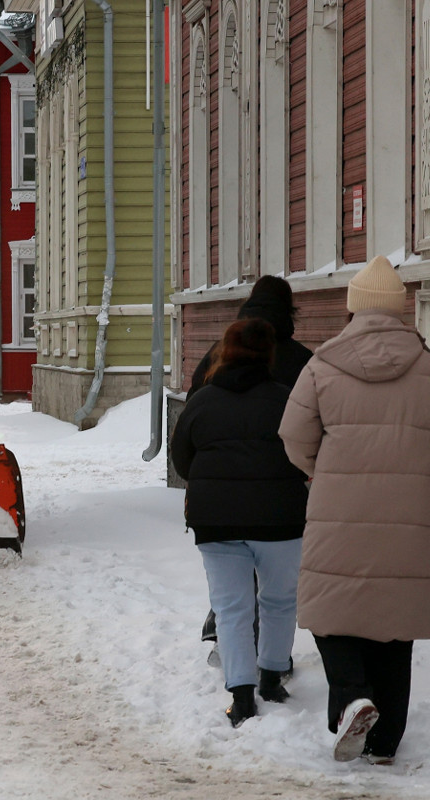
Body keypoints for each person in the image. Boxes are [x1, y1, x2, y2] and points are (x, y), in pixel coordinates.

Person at [279, 255, 430, 765]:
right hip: (412, 517)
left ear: (352, 308)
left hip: (337, 509)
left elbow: (293, 438)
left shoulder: (322, 364)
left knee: (331, 610)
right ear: (401, 310)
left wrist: (323, 473)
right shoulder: (427, 363)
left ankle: (350, 697)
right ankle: (385, 744)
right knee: (395, 622)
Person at [171, 318, 309, 728]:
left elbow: (182, 460)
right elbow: (305, 454)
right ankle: (271, 678)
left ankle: (242, 697)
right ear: (269, 353)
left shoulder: (201, 401)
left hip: (216, 521)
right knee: (279, 600)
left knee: (231, 608)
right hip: (280, 519)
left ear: (223, 351)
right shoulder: (287, 400)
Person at [190, 275, 314, 663]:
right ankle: (274, 664)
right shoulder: (305, 362)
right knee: (277, 586)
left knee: (232, 583)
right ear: (288, 311)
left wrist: (204, 472)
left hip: (220, 500)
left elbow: (190, 424)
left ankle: (230, 644)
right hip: (282, 494)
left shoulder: (216, 355)